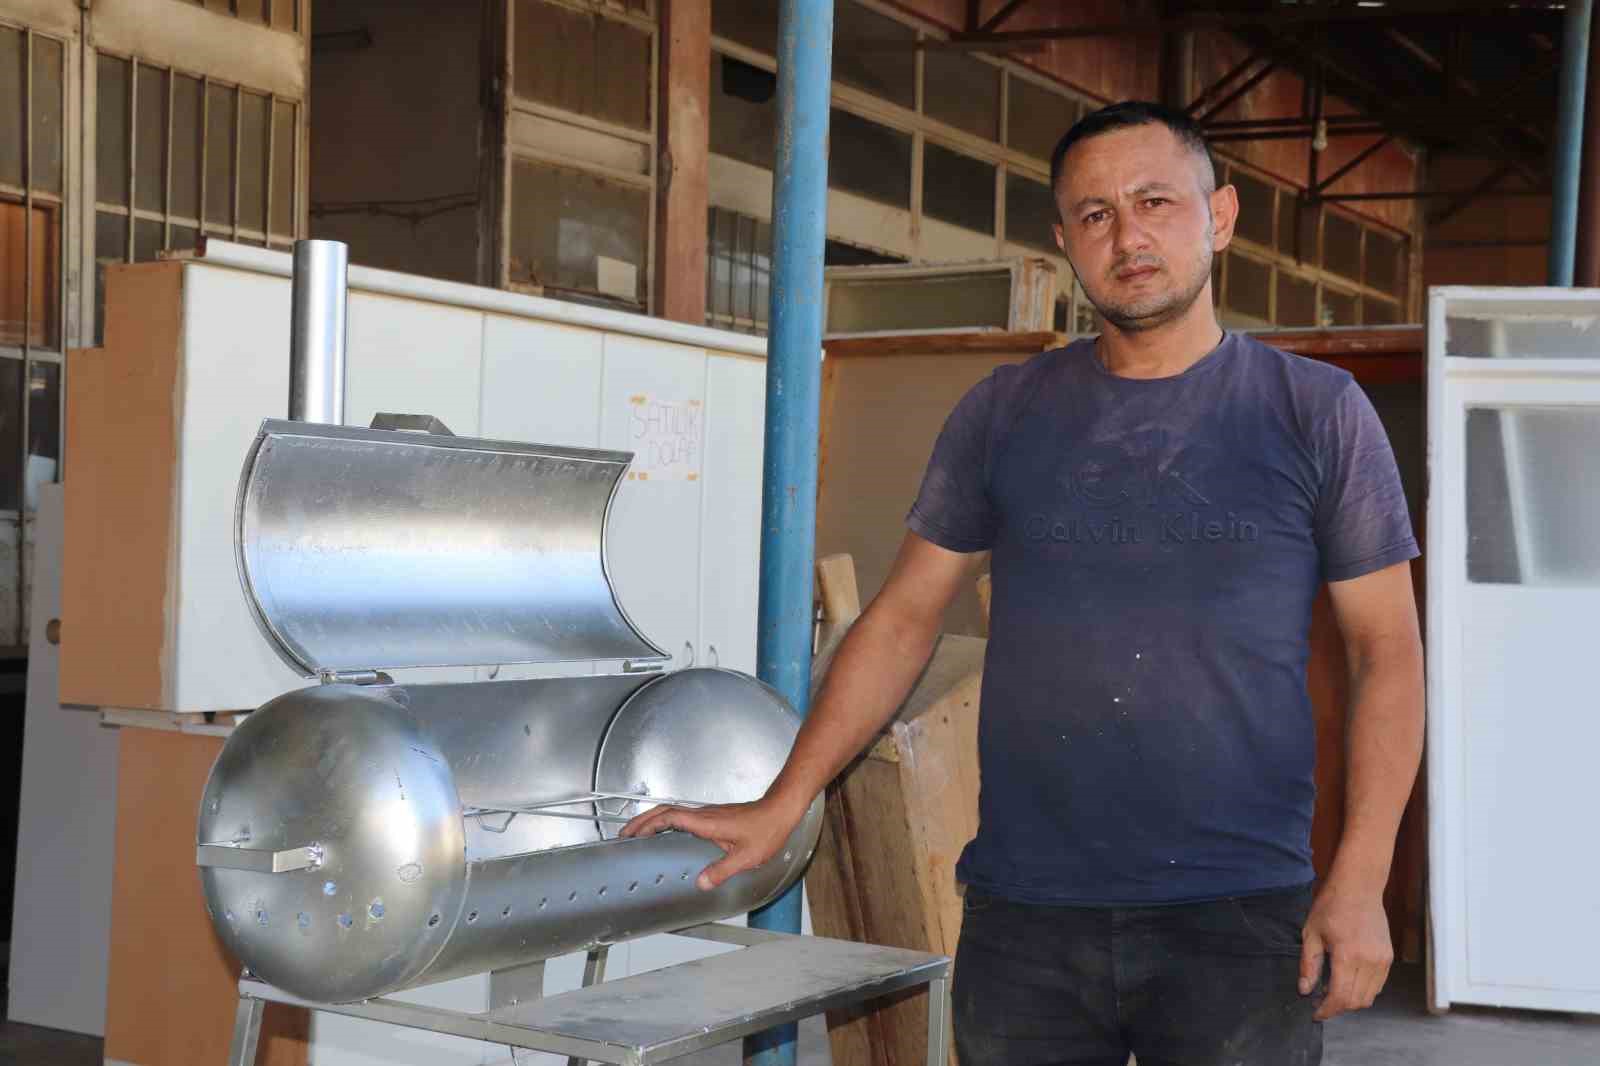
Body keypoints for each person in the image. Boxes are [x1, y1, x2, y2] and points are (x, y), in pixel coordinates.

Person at [621, 100, 1425, 1066]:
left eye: (1155, 202)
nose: (1127, 236)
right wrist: (784, 799)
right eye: (1095, 214)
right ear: (1065, 241)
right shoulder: (1006, 412)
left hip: (1240, 910)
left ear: (1220, 217)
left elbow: (1386, 652)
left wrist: (1361, 878)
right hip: (1029, 915)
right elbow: (903, 620)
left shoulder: (1315, 412)